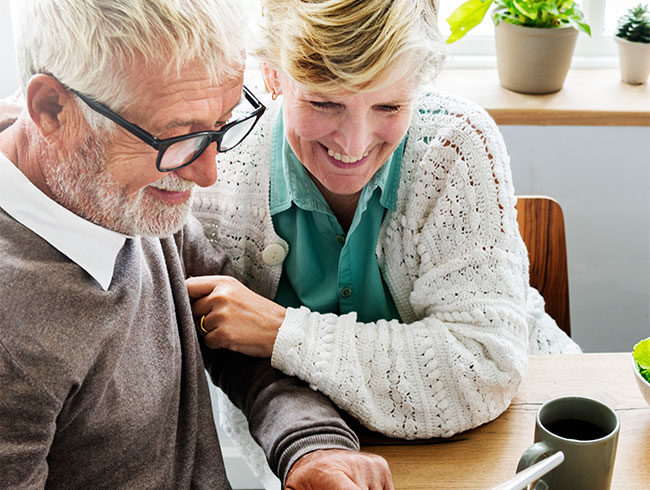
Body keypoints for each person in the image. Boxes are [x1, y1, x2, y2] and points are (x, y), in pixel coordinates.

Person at [0, 1, 394, 488]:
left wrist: (313, 449)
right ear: (52, 110)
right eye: (177, 138)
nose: (207, 174)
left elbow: (240, 344)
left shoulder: (115, 194)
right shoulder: (11, 332)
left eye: (222, 124)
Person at [187, 0, 582, 486]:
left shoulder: (457, 145)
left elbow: (483, 365)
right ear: (273, 75)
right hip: (316, 455)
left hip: (519, 433)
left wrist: (281, 332)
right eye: (324, 103)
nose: (353, 145)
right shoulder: (216, 172)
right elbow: (237, 370)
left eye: (389, 106)